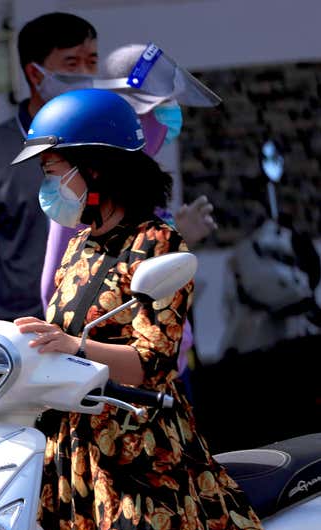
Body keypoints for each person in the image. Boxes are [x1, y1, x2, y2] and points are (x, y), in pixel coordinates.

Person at [8, 88, 268, 530]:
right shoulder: (78, 245)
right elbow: (60, 336)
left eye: (52, 173)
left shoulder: (156, 242)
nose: (47, 188)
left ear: (93, 168)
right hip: (75, 451)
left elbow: (154, 362)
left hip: (137, 454)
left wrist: (76, 346)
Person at [38, 42, 223, 392]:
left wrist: (169, 238)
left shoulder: (141, 198)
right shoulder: (80, 195)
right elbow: (56, 292)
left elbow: (154, 351)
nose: (170, 116)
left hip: (156, 376)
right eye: (162, 106)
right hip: (110, 381)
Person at [0, 12, 98, 329]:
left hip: (101, 329)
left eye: (92, 61)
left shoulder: (110, 142)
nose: (86, 73)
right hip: (22, 334)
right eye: (72, 64)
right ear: (35, 73)